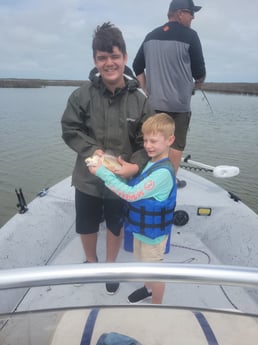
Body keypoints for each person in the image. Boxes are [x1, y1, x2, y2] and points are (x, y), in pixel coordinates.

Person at [61, 22, 154, 295]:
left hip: (121, 180)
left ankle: (110, 266)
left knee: (115, 224)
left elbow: (146, 141)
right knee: (86, 223)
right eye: (102, 58)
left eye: (114, 56)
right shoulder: (81, 95)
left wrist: (135, 165)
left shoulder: (140, 99)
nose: (109, 63)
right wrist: (92, 151)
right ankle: (91, 262)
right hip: (88, 178)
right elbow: (70, 129)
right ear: (95, 60)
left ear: (124, 58)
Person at [88, 113, 177, 304]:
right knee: (146, 267)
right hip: (143, 231)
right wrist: (110, 167)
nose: (147, 146)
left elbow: (131, 194)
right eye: (145, 140)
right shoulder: (151, 163)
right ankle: (147, 288)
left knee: (156, 272)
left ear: (170, 140)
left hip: (154, 236)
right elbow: (132, 184)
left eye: (153, 141)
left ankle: (157, 305)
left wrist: (102, 173)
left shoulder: (162, 172)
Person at [132, 0, 206, 187]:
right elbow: (199, 72)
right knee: (176, 144)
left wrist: (147, 91)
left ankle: (149, 179)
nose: (193, 17)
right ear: (180, 13)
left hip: (153, 105)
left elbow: (136, 66)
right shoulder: (191, 36)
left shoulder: (150, 36)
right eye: (191, 13)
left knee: (152, 142)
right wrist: (199, 82)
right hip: (180, 107)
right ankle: (168, 182)